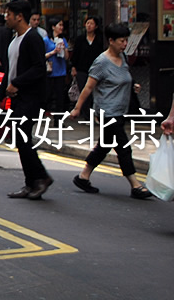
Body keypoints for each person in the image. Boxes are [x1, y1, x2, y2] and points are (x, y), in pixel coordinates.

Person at [70, 22, 153, 199]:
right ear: (111, 41)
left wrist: (133, 86)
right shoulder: (101, 62)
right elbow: (88, 88)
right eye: (122, 41)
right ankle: (135, 184)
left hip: (119, 110)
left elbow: (122, 79)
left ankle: (83, 177)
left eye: (126, 40)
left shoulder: (122, 58)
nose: (125, 44)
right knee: (123, 147)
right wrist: (77, 108)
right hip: (107, 112)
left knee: (104, 146)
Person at [0, 0, 53, 200]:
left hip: (31, 98)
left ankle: (41, 177)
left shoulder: (33, 38)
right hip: (17, 97)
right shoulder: (14, 41)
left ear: (19, 16)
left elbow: (38, 68)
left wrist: (17, 83)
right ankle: (31, 182)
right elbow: (8, 72)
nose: (6, 17)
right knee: (20, 139)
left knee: (23, 137)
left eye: (9, 14)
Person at [70, 16, 105, 109]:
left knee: (96, 92)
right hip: (82, 69)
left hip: (96, 69)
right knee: (84, 93)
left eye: (92, 23)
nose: (89, 26)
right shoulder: (80, 39)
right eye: (87, 23)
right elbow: (75, 54)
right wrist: (73, 67)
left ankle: (96, 113)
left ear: (96, 26)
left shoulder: (100, 39)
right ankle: (87, 115)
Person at [43, 18, 69, 113]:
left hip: (60, 72)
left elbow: (66, 57)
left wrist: (64, 48)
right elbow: (42, 56)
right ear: (53, 27)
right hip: (49, 71)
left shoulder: (63, 40)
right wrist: (53, 52)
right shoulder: (46, 40)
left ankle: (58, 119)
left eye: (62, 25)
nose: (61, 27)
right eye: (59, 25)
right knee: (47, 96)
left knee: (60, 97)